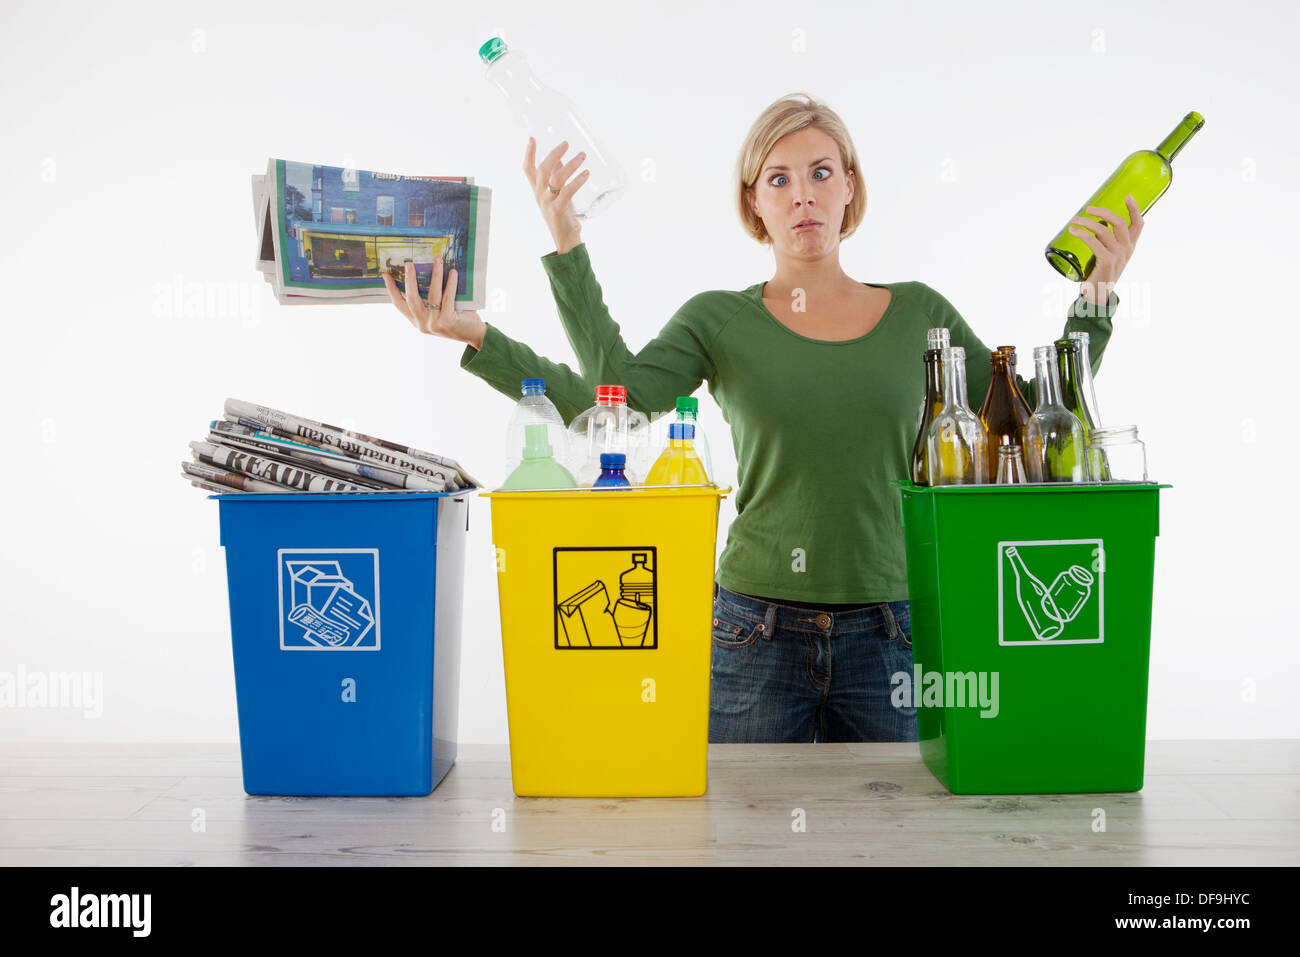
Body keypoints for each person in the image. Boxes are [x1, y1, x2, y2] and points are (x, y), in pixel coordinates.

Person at [383, 93, 1144, 744]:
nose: (802, 195)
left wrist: (1097, 298)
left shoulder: (921, 314)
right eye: (778, 179)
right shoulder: (720, 320)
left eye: (820, 173)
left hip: (896, 632)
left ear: (851, 187)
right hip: (753, 635)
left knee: (891, 843)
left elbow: (1032, 416)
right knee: (740, 841)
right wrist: (507, 307)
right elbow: (608, 398)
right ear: (755, 202)